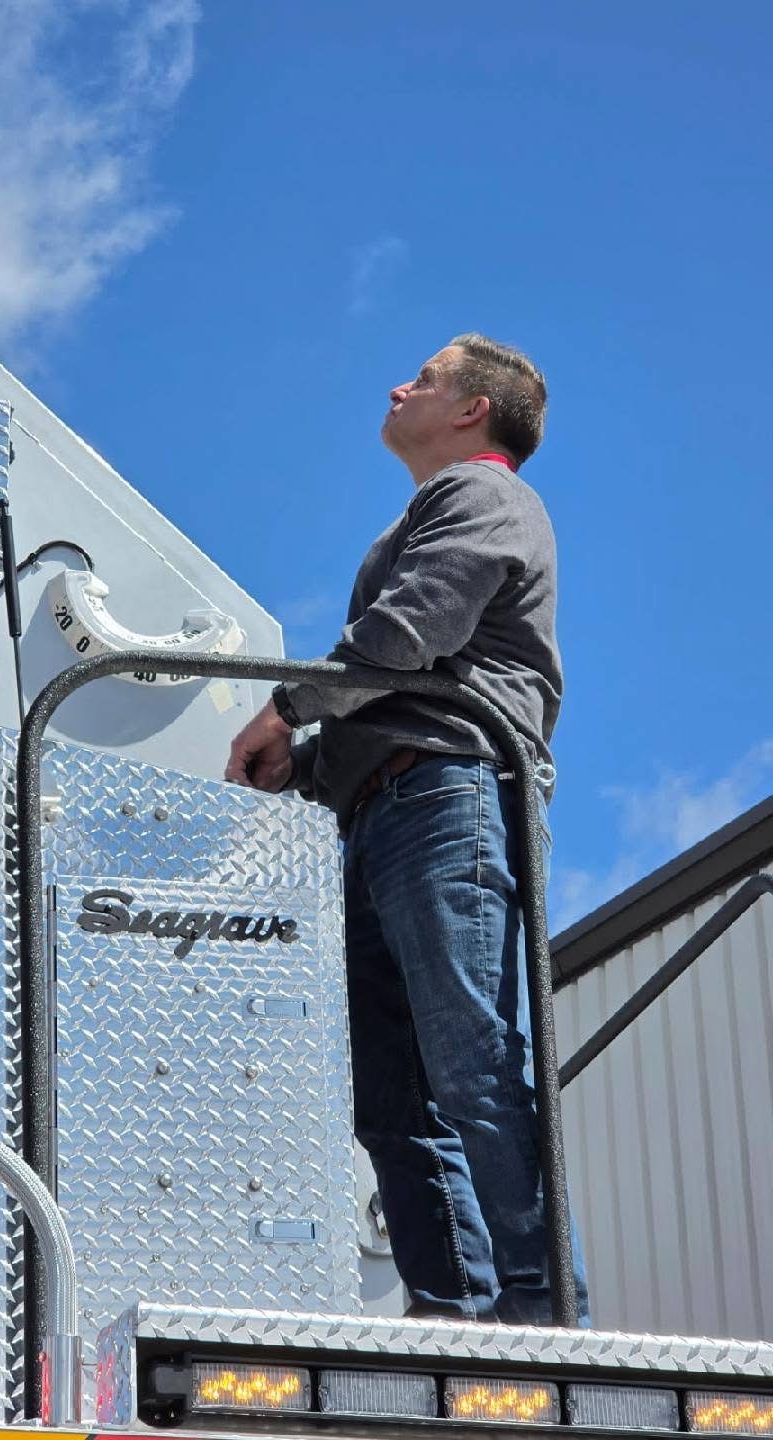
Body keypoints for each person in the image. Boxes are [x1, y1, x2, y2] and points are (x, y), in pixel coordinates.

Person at [224, 333, 590, 1326]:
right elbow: (404, 683)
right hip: (386, 810)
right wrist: (308, 765)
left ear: (473, 409)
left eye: (424, 379)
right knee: (389, 1101)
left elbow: (408, 634)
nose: (399, 387)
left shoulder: (483, 494)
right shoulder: (437, 507)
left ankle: (542, 1315)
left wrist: (285, 711)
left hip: (444, 800)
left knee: (472, 1063)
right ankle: (456, 1318)